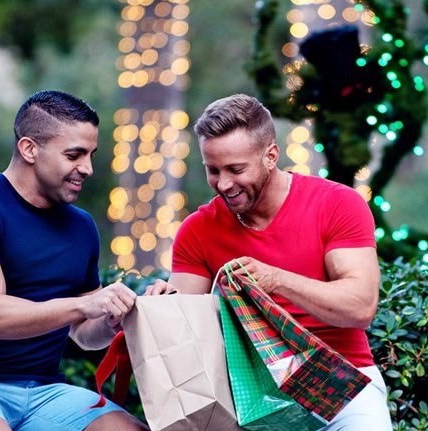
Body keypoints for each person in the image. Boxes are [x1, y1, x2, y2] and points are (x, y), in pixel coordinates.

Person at [0, 90, 148, 431]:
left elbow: (84, 335)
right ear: (29, 149)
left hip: (44, 392)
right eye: (74, 155)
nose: (87, 168)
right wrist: (85, 305)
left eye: (90, 155)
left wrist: (111, 318)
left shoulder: (81, 226)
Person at [164, 93, 392, 429]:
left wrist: (276, 280)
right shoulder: (197, 230)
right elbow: (184, 333)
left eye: (236, 169)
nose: (224, 184)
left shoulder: (337, 203)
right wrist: (159, 306)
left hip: (337, 377)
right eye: (212, 170)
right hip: (247, 390)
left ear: (271, 155)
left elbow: (360, 308)